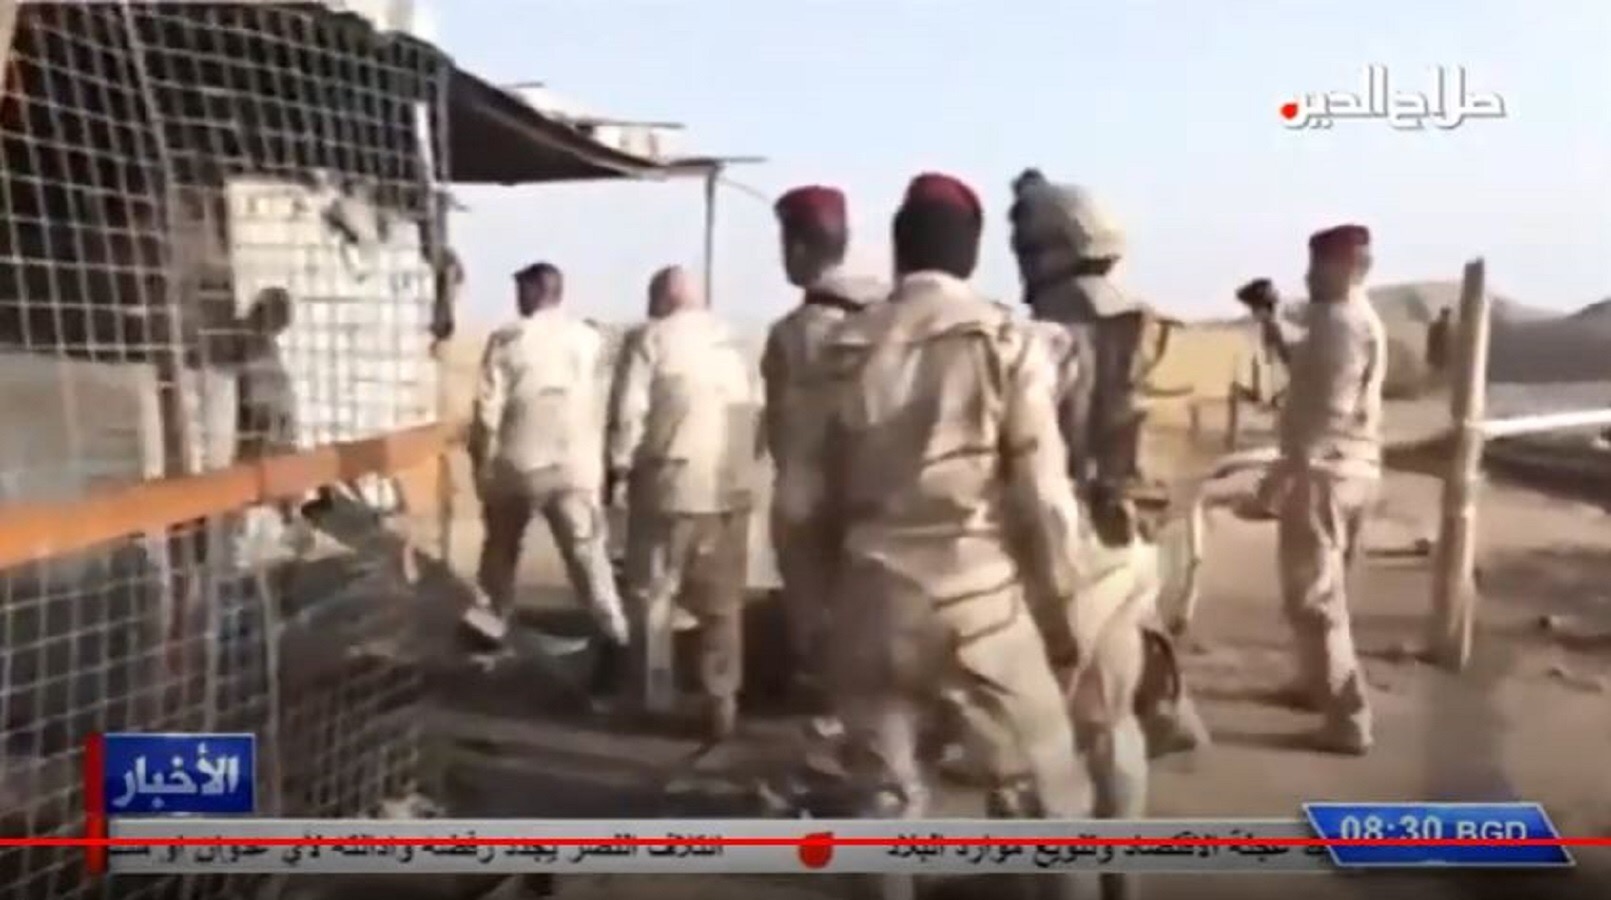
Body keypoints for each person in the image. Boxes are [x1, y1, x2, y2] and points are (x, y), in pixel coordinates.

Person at [788, 173, 1091, 900]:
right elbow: (1045, 499)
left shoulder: (837, 349)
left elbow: (796, 506)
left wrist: (813, 615)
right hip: (978, 604)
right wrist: (1063, 614)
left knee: (883, 810)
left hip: (870, 600)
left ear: (898, 250)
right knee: (1054, 801)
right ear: (973, 254)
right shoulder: (1005, 340)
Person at [606, 265, 763, 742]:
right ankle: (721, 700)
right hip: (729, 487)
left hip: (668, 484)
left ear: (661, 299)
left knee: (653, 594)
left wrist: (618, 469)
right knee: (721, 604)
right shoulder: (733, 342)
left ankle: (654, 696)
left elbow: (629, 414)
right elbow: (755, 415)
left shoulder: (650, 339)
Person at [1256, 224, 1386, 756]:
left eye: (1317, 267)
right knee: (1326, 594)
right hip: (1350, 472)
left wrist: (1285, 472)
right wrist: (1269, 319)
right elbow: (1306, 369)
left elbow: (1329, 409)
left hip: (1324, 474)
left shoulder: (1340, 322)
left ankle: (1347, 719)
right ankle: (1317, 685)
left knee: (1314, 599)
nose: (1308, 277)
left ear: (1346, 268)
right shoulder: (1346, 319)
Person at [761, 184, 886, 713]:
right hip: (882, 498)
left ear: (796, 247)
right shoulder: (886, 313)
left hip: (813, 504)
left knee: (821, 635)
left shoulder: (794, 333)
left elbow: (782, 433)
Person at [463, 262, 629, 656]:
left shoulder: (507, 340)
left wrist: (482, 465)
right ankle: (615, 634)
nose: (517, 299)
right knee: (588, 557)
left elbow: (487, 412)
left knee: (500, 554)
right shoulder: (590, 339)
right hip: (576, 467)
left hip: (519, 465)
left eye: (521, 290)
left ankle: (491, 628)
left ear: (536, 291)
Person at [1426, 306, 1452, 375]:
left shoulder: (1445, 326)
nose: (1447, 318)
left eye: (1447, 316)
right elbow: (1431, 341)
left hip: (1442, 354)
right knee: (1436, 372)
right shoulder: (1437, 326)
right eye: (1446, 316)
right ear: (1442, 315)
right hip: (1437, 353)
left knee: (1438, 371)